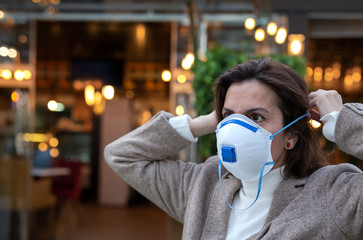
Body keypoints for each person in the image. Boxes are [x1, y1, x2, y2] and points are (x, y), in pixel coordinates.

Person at [104, 58, 363, 240]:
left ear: (291, 137)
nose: (236, 129)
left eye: (255, 117)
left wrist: (343, 122)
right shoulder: (203, 185)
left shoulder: (334, 194)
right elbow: (122, 155)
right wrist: (201, 123)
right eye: (229, 117)